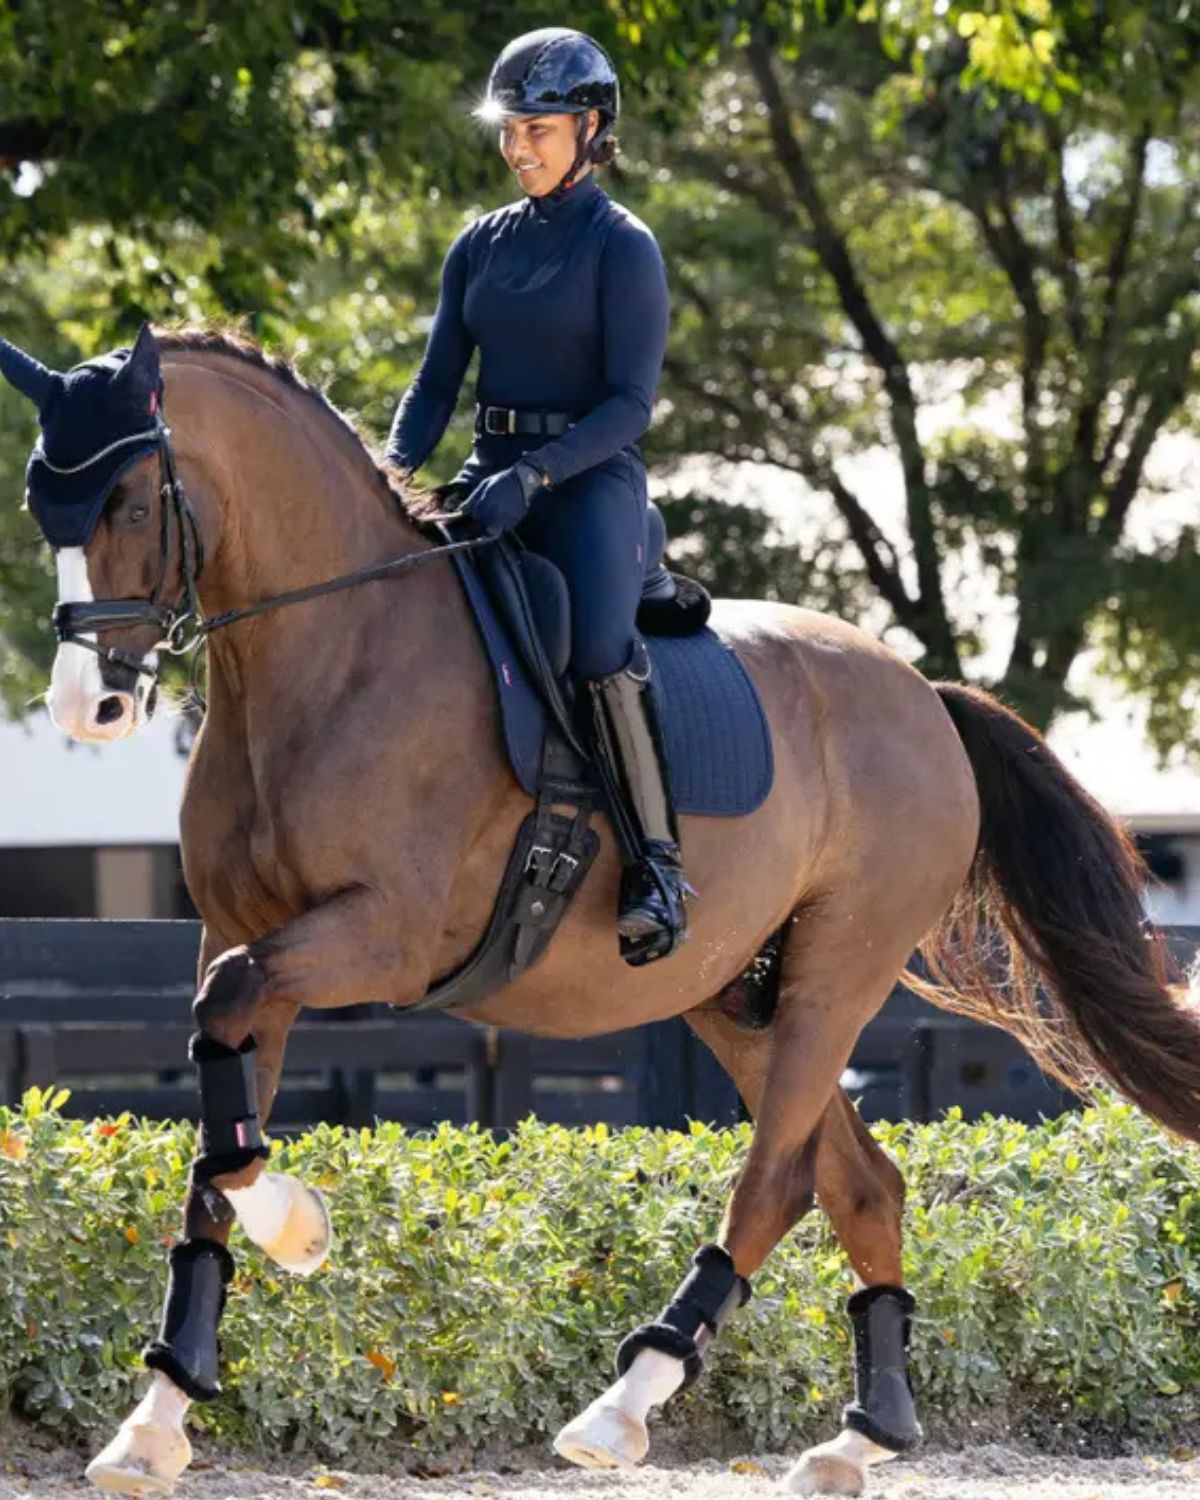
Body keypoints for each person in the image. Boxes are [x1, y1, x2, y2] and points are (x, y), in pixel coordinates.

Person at [387, 27, 690, 966]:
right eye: (509, 131)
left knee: (598, 647)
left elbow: (631, 405)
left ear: (591, 128)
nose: (518, 147)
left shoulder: (623, 246)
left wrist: (539, 475)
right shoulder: (478, 244)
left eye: (538, 129)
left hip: (587, 479)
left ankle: (656, 867)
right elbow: (437, 385)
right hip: (490, 471)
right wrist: (389, 473)